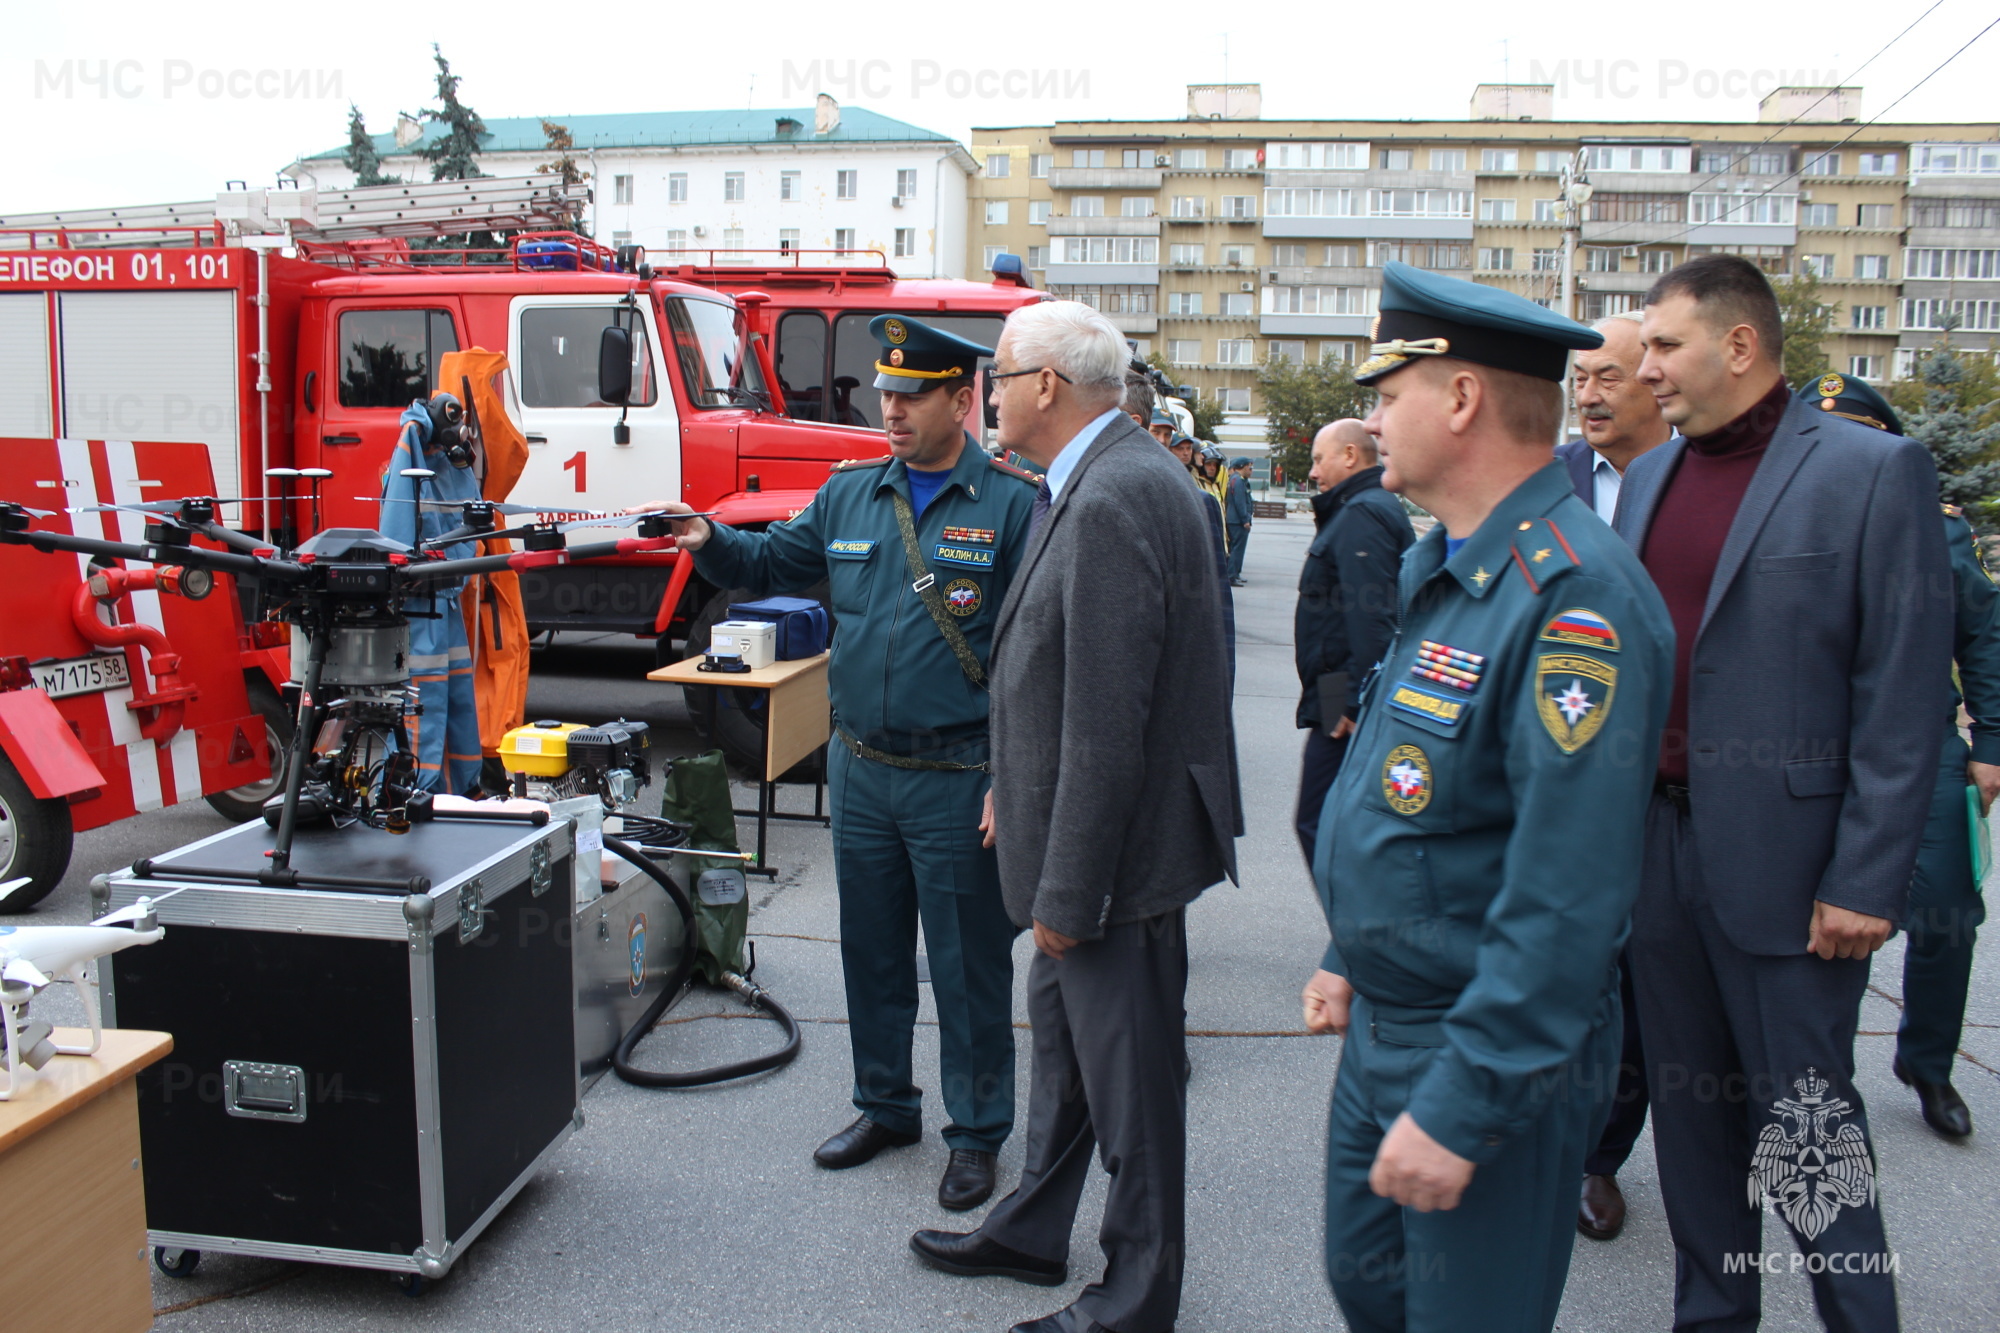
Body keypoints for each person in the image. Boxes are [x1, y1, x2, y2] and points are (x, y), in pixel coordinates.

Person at [1302, 261, 1673, 1333]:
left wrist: (1465, 1101)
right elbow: (1411, 787)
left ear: (1458, 398)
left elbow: (1567, 894)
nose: (1372, 421)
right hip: (1390, 1016)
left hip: (1486, 1048)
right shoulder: (1450, 559)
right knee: (1368, 1289)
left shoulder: (1574, 598)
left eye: (1386, 393)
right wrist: (1347, 945)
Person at [1617, 255, 1952, 1332]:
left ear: (1739, 345)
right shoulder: (1650, 477)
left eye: (1663, 346)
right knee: (1691, 1127)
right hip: (1657, 862)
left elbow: (1899, 690)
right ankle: (1710, 1317)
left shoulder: (1868, 469)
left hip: (1794, 877)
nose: (1645, 366)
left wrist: (1865, 876)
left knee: (1806, 1136)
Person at [645, 316, 1038, 1212]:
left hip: (957, 774)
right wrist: (704, 534)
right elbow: (767, 557)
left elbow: (1038, 658)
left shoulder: (1016, 506)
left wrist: (1012, 776)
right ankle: (885, 1104)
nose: (891, 411)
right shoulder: (850, 495)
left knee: (969, 968)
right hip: (860, 769)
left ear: (960, 399)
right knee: (871, 952)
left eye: (911, 395)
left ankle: (976, 1133)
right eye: (885, 395)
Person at [909, 300, 1238, 1333]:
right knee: (1063, 1056)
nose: (986, 397)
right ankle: (1032, 1226)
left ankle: (1136, 1294)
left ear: (1045, 384)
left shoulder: (1110, 496)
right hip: (1081, 840)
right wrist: (1020, 782)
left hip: (1110, 863)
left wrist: (1069, 890)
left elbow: (1109, 719)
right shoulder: (1097, 476)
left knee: (1131, 1091)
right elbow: (1062, 676)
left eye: (996, 378)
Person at [1804, 372, 1993, 1141]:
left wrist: (1995, 743)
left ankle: (1929, 1060)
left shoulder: (1939, 527)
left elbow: (1983, 632)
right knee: (1814, 919)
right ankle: (1817, 1076)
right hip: (1817, 747)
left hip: (1928, 745)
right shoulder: (1794, 519)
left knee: (1948, 914)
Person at [1559, 308, 1675, 1243]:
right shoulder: (1550, 484)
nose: (1590, 395)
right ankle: (1555, 1141)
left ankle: (1604, 1155)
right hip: (1564, 769)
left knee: (1646, 985)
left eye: (1610, 377)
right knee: (1568, 964)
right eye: (1581, 380)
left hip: (1675, 782)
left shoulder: (1702, 482)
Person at [1292, 420, 1413, 861]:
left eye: (1319, 459)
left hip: (1344, 690)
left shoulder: (1363, 514)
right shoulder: (1356, 509)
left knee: (1320, 819)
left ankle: (1357, 926)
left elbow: (1373, 619)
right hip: (1338, 687)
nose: (1313, 472)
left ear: (1349, 455)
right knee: (1327, 817)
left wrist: (1355, 704)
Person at [382, 394, 485, 795]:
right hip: (420, 604)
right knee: (422, 704)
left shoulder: (435, 457)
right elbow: (398, 527)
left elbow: (470, 510)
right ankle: (416, 790)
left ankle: (462, 789)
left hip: (445, 597)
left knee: (457, 700)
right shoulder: (412, 450)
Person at [1559, 308, 1675, 523]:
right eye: (1581, 379)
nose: (1586, 398)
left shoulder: (1711, 473)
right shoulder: (1545, 476)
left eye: (1608, 379)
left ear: (1658, 383)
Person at [1224, 457, 1255, 586]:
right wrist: (1245, 520)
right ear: (1242, 466)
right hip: (1237, 521)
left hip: (1236, 520)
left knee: (1237, 548)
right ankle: (1231, 576)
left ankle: (1235, 573)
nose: (1251, 470)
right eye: (1249, 467)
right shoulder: (1238, 481)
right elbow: (1240, 503)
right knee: (1237, 549)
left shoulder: (1238, 480)